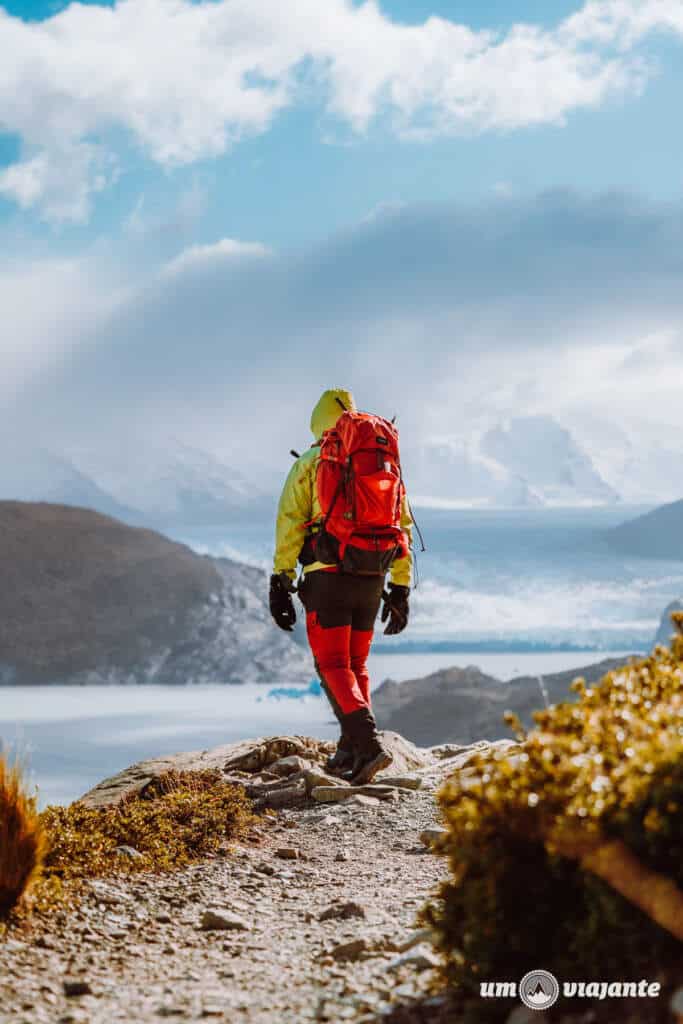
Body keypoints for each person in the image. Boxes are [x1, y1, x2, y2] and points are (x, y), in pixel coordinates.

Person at [269, 388, 412, 785]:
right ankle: (350, 750)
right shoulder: (382, 463)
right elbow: (402, 526)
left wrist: (280, 580)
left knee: (332, 665)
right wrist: (400, 587)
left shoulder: (312, 462)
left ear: (317, 423)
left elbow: (289, 525)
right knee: (356, 665)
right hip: (373, 575)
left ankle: (368, 745)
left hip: (327, 575)